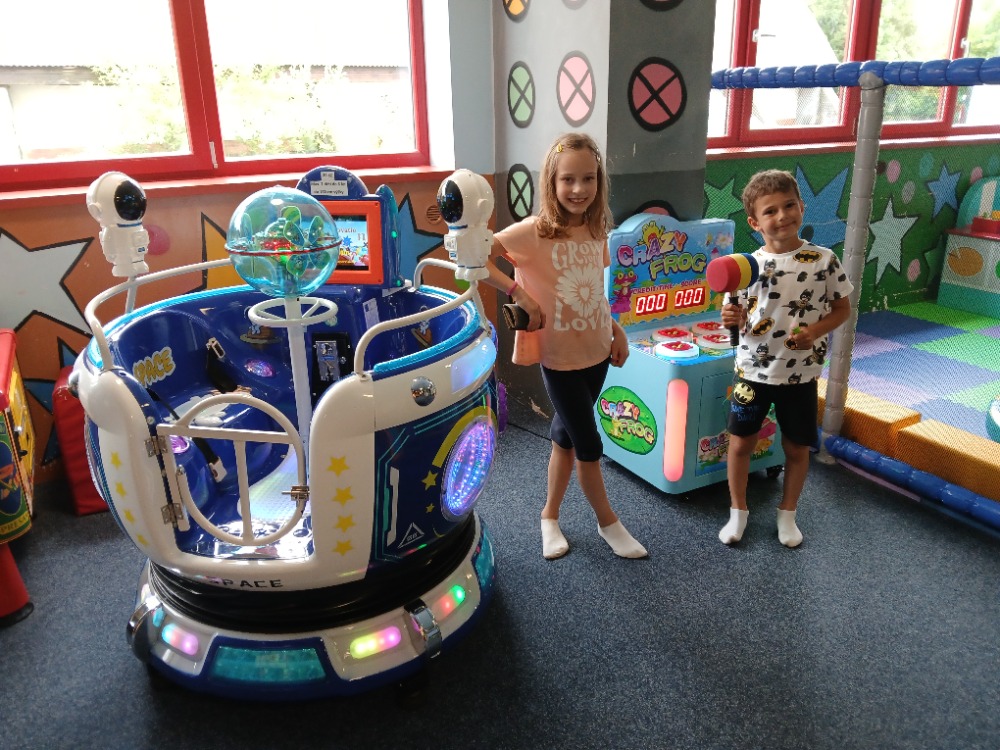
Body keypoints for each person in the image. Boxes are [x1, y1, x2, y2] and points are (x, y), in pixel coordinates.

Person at [483, 133, 647, 560]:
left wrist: (616, 331)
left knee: (565, 435)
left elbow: (592, 292)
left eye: (588, 178)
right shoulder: (534, 232)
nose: (579, 189)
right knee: (589, 445)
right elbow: (476, 258)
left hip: (598, 351)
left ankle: (549, 516)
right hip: (560, 359)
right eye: (568, 179)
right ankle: (608, 522)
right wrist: (519, 293)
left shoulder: (595, 229)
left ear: (599, 180)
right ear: (551, 182)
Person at [719, 169, 854, 548]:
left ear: (802, 207)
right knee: (740, 444)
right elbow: (734, 314)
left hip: (801, 375)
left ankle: (788, 514)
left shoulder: (823, 260)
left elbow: (842, 309)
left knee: (796, 448)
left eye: (789, 205)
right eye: (770, 211)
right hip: (752, 372)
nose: (782, 216)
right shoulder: (745, 266)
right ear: (754, 222)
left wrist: (815, 330)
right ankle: (738, 512)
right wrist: (730, 316)